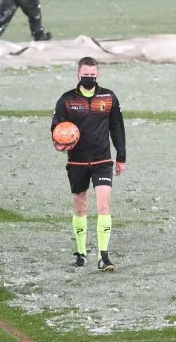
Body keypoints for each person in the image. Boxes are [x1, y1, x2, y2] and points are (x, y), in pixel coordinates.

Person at [51, 57, 126, 272]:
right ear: (78, 74)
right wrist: (58, 143)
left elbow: (117, 128)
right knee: (80, 205)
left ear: (97, 75)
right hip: (77, 161)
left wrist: (121, 157)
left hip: (103, 159)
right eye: (85, 75)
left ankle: (104, 257)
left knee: (104, 205)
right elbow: (56, 128)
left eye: (92, 75)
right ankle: (81, 252)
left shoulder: (108, 97)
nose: (89, 78)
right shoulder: (66, 100)